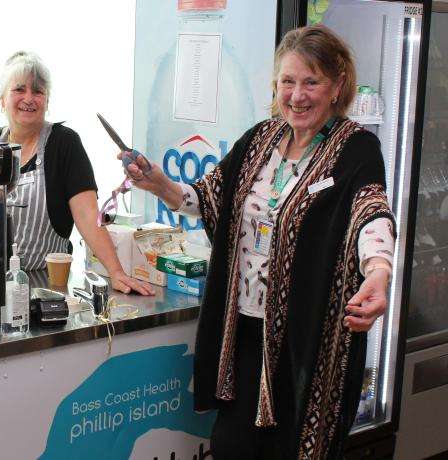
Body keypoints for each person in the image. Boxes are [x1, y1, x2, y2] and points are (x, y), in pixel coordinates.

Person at [122, 25, 394, 459]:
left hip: (308, 342)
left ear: (337, 85)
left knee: (293, 449)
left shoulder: (357, 149)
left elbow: (371, 214)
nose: (297, 95)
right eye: (288, 81)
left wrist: (378, 272)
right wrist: (159, 183)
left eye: (311, 81)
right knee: (231, 447)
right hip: (244, 333)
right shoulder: (260, 140)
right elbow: (209, 199)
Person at [0, 51, 153, 295]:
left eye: (38, 91)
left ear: (47, 102)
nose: (29, 98)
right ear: (2, 100)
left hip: (45, 285)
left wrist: (116, 272)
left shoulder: (64, 144)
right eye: (19, 89)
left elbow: (87, 215)